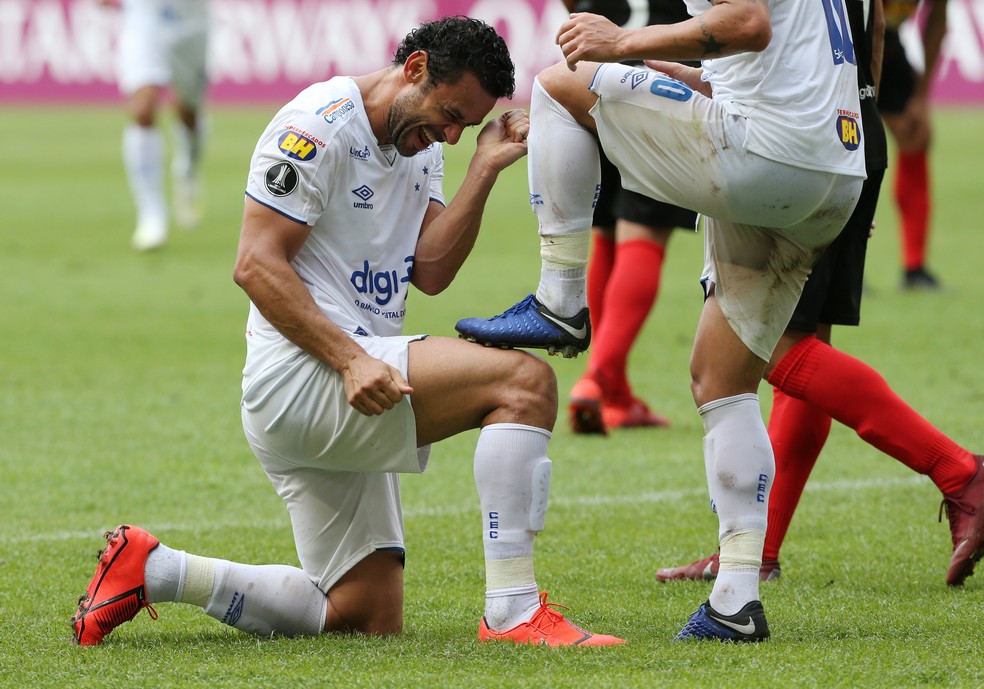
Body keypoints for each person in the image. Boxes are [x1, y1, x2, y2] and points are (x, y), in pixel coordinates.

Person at [70, 17, 623, 648]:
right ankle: (514, 611)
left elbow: (431, 270)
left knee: (365, 613)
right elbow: (255, 265)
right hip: (304, 375)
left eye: (464, 128)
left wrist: (484, 166)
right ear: (415, 68)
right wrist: (349, 360)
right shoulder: (317, 126)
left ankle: (157, 570)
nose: (450, 135)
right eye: (449, 116)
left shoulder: (422, 145)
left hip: (354, 381)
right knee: (524, 384)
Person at [455, 3, 868, 641]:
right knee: (721, 381)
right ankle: (736, 601)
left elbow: (749, 22)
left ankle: (560, 300)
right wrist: (691, 77)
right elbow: (782, 54)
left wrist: (623, 41)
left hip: (769, 151)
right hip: (836, 171)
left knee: (560, 84)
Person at [656, 0, 984, 589]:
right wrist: (854, 146)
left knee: (769, 350)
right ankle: (761, 551)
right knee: (802, 350)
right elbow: (875, 25)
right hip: (848, 130)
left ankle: (960, 472)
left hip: (799, 137)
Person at [562, 0, 697, 435]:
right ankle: (597, 378)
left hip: (596, 79)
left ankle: (616, 393)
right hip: (665, 77)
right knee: (644, 233)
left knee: (606, 230)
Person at [98, 0, 209, 251]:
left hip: (192, 18)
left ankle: (188, 170)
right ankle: (151, 213)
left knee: (188, 112)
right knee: (143, 109)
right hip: (144, 16)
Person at [880, 0, 948, 289]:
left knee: (916, 137)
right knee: (850, 144)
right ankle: (839, 265)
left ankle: (914, 267)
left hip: (887, 41)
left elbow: (937, 21)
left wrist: (921, 97)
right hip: (847, 44)